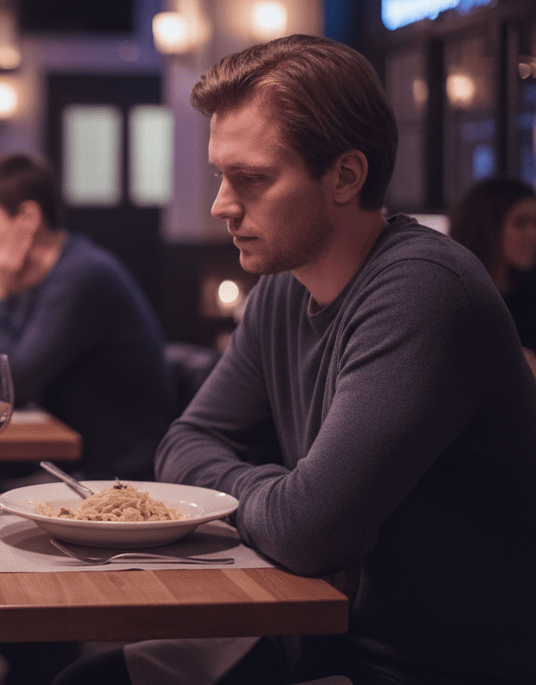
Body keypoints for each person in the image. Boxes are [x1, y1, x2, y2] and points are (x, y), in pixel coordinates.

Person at [54, 35, 536, 685]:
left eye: (250, 178)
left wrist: (270, 496)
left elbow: (309, 532)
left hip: (415, 668)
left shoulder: (423, 290)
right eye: (221, 176)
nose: (221, 205)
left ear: (344, 175)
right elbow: (184, 443)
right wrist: (278, 490)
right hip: (313, 640)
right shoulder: (284, 288)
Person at [0, 152, 175, 483]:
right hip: (60, 463)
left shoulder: (84, 275)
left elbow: (7, 387)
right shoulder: (48, 272)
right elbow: (21, 351)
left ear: (28, 217)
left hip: (107, 478)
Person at [449, 176, 536, 359]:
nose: (532, 235)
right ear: (488, 226)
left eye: (535, 224)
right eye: (521, 223)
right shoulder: (453, 298)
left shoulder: (529, 294)